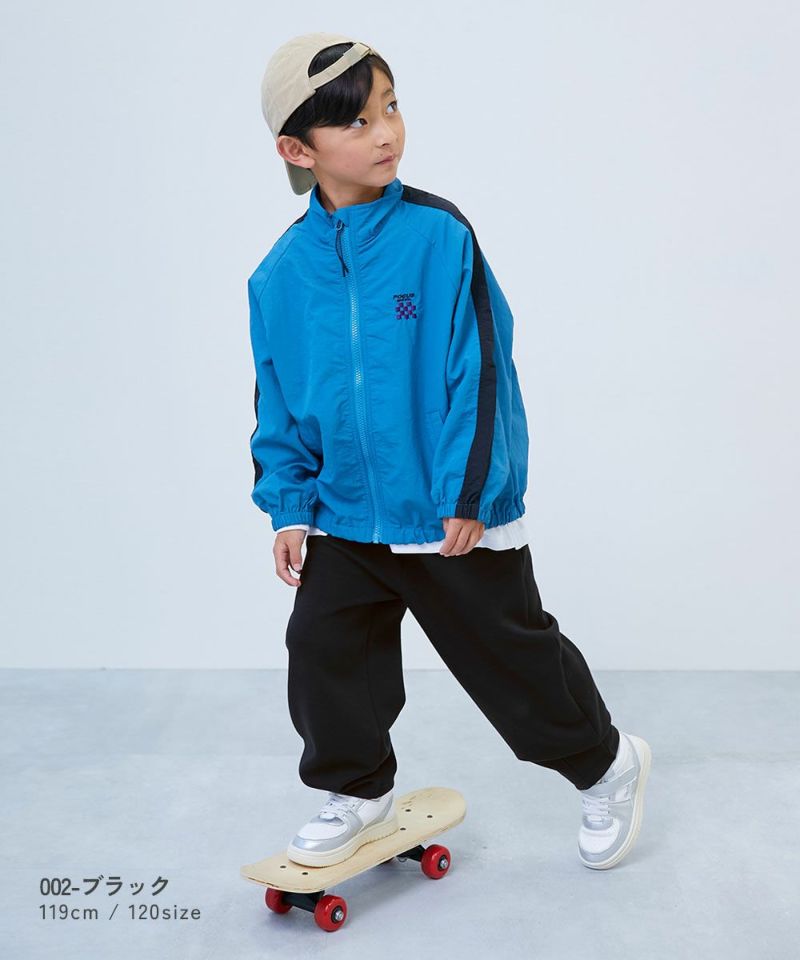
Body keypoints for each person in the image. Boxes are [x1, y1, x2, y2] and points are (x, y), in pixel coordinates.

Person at [248, 32, 652, 871]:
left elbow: (481, 369)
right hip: (343, 513)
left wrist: (467, 491)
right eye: (357, 122)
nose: (386, 133)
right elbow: (278, 397)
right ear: (298, 149)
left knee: (508, 657)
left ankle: (606, 765)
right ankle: (356, 790)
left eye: (391, 107)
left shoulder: (438, 236)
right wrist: (289, 507)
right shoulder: (279, 274)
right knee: (325, 649)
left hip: (442, 508)